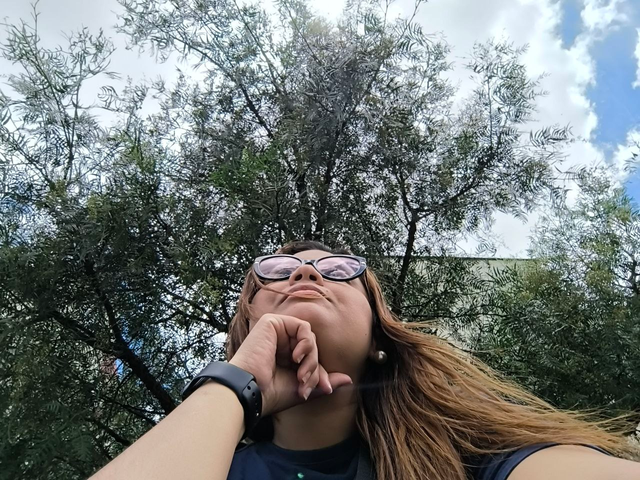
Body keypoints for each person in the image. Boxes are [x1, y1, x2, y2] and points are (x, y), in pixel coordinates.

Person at [91, 240, 640, 480]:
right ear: (247, 326)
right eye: (275, 272)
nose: (305, 272)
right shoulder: (207, 467)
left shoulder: (473, 461)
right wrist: (235, 384)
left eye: (337, 271)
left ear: (379, 336)